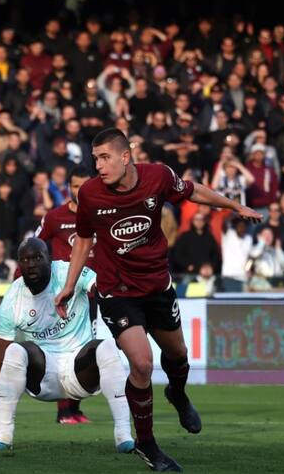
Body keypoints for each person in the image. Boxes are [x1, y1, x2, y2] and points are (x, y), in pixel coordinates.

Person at [54, 128, 262, 471]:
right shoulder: (91, 193)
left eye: (105, 158)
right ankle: (147, 444)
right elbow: (83, 241)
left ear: (125, 156)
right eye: (95, 160)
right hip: (117, 291)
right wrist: (69, 285)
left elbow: (194, 192)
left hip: (157, 286)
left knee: (178, 354)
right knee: (142, 363)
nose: (99, 167)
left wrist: (235, 204)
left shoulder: (158, 176)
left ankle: (177, 394)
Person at [0, 238, 133, 455]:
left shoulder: (69, 272)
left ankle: (124, 436)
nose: (32, 264)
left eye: (38, 257)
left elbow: (104, 289)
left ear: (50, 259)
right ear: (18, 264)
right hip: (43, 377)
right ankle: (3, 435)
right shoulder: (12, 299)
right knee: (15, 351)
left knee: (107, 347)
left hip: (80, 371)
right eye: (26, 259)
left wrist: (123, 325)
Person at [34, 165, 94, 424]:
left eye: (85, 185)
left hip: (91, 294)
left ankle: (76, 409)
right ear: (69, 187)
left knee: (84, 352)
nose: (81, 190)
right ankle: (62, 412)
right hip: (64, 296)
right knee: (62, 352)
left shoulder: (97, 215)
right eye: (76, 185)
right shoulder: (55, 217)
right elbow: (35, 245)